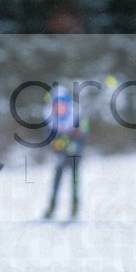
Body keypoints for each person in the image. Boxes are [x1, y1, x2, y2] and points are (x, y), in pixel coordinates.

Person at [42, 84, 88, 220]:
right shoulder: (49, 118)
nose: (59, 108)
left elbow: (84, 132)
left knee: (75, 180)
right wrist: (55, 145)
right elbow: (48, 137)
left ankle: (75, 206)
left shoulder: (77, 114)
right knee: (57, 180)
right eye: (56, 105)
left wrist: (75, 143)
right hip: (60, 155)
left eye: (61, 104)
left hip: (75, 154)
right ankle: (52, 206)